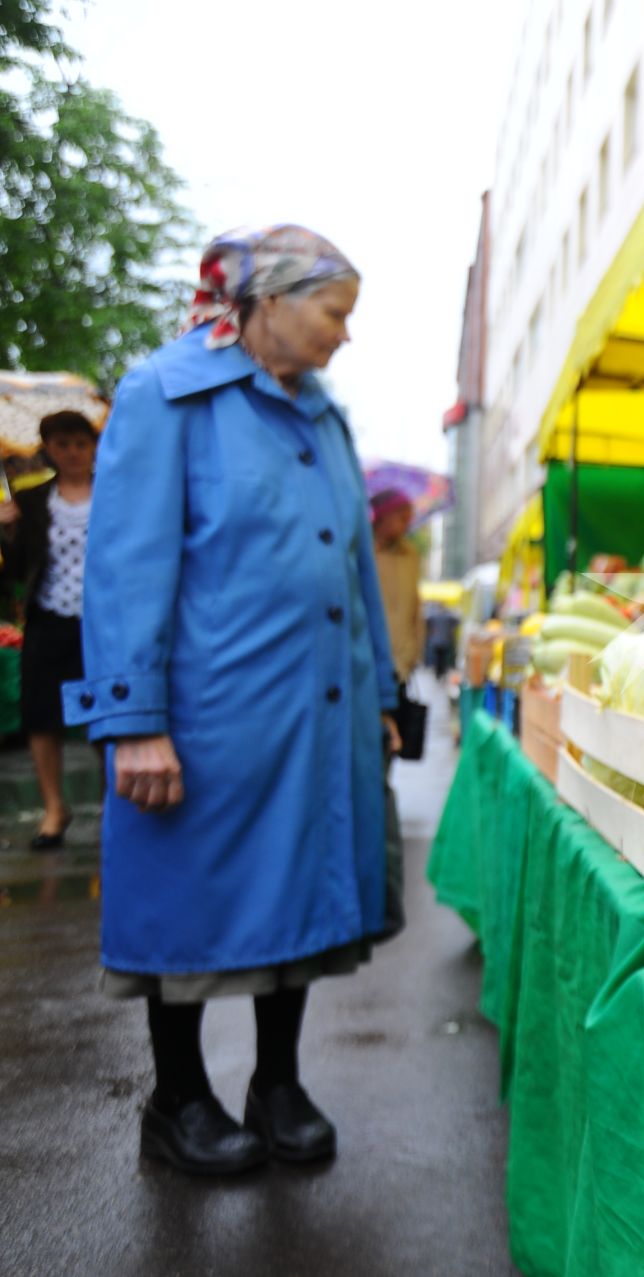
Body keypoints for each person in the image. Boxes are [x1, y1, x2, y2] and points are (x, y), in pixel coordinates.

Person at [63, 225, 399, 1176]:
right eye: (335, 313)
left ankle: (276, 1082)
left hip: (316, 707)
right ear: (269, 303)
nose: (343, 335)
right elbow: (124, 567)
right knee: (188, 898)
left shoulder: (322, 414)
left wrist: (379, 690)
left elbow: (353, 566)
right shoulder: (166, 394)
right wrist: (132, 723)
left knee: (299, 891)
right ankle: (176, 1100)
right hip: (206, 712)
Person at [0, 410, 99, 848]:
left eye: (80, 443)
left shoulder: (116, 492)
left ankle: (120, 801)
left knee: (105, 713)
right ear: (49, 449)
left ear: (93, 447)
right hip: (48, 620)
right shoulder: (34, 500)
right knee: (43, 717)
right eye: (63, 444)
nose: (73, 452)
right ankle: (55, 809)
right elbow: (20, 567)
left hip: (103, 622)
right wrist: (8, 530)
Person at [371, 489, 423, 683]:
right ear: (383, 516)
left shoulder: (410, 555)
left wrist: (415, 651)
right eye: (401, 518)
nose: (407, 524)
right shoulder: (361, 552)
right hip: (370, 658)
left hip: (403, 659)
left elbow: (415, 606)